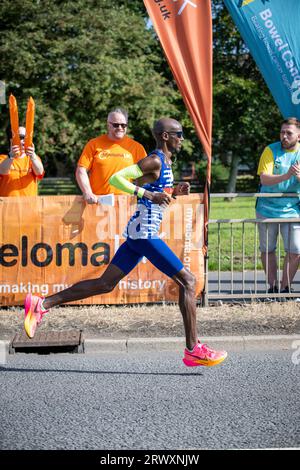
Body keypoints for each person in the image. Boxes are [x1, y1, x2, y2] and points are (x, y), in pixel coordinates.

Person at [23, 117, 227, 368]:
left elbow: (155, 190)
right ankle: (193, 349)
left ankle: (41, 304)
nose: (182, 139)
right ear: (165, 136)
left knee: (105, 283)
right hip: (145, 234)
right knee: (189, 281)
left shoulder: (166, 162)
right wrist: (148, 193)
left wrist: (174, 191)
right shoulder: (154, 159)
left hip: (139, 232)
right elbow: (118, 180)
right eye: (179, 134)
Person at [256, 117, 300, 294]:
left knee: (296, 250)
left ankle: (285, 287)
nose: (284, 136)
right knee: (268, 250)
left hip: (293, 209)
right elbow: (264, 178)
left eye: (289, 133)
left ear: (299, 135)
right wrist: (287, 175)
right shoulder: (270, 150)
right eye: (282, 132)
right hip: (267, 208)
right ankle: (272, 287)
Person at [76, 108, 147, 203]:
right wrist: (87, 192)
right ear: (108, 125)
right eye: (116, 125)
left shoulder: (137, 147)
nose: (120, 128)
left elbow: (146, 174)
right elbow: (81, 170)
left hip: (126, 202)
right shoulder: (94, 144)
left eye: (123, 125)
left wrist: (140, 194)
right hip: (98, 202)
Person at [0, 126, 44, 196]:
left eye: (27, 137)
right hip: (8, 206)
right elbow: (2, 171)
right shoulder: (3, 158)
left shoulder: (33, 158)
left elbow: (39, 173)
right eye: (22, 137)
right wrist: (11, 156)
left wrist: (32, 156)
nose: (25, 140)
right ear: (11, 140)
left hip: (29, 205)